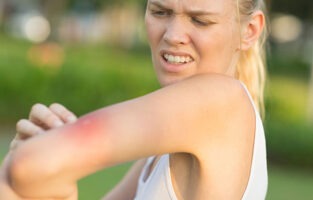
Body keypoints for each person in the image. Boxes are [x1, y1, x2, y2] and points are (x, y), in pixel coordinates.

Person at [0, 0, 268, 199]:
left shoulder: (220, 100)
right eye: (160, 12)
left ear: (250, 31)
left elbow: (31, 164)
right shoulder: (165, 148)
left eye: (200, 20)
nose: (173, 35)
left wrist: (31, 162)